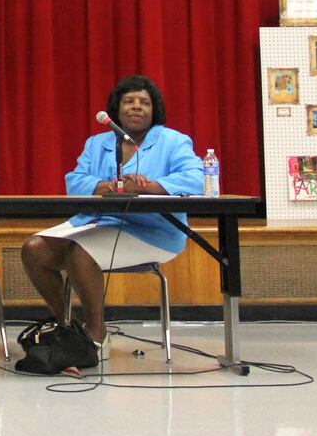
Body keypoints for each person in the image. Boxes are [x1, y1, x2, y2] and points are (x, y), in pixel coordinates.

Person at [15, 75, 204, 375]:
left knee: (81, 252)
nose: (137, 107)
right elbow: (74, 181)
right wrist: (99, 186)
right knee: (34, 249)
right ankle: (69, 327)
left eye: (144, 102)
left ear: (155, 110)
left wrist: (151, 186)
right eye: (129, 102)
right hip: (97, 223)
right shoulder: (98, 143)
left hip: (152, 231)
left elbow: (195, 179)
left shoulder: (173, 141)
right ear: (117, 109)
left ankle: (96, 335)